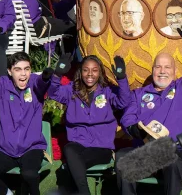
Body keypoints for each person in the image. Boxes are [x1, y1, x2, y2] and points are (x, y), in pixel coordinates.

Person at [116, 25, 182, 195]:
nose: (162, 71)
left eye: (167, 67)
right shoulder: (139, 94)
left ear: (175, 71)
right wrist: (135, 129)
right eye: (158, 67)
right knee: (122, 158)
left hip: (178, 150)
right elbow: (128, 117)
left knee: (172, 161)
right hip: (147, 151)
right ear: (152, 70)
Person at [48, 54, 131, 194]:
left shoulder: (107, 91)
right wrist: (57, 74)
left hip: (101, 147)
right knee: (69, 149)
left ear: (100, 73)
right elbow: (53, 93)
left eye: (94, 70)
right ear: (81, 72)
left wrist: (122, 78)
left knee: (70, 167)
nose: (90, 74)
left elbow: (124, 101)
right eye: (86, 70)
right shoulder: (71, 90)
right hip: (78, 143)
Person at [0, 52, 54, 195]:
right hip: (7, 149)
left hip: (31, 147)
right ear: (9, 71)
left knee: (30, 175)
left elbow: (41, 84)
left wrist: (45, 78)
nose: (23, 74)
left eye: (26, 69)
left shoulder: (34, 83)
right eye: (18, 69)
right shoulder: (2, 85)